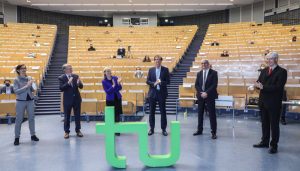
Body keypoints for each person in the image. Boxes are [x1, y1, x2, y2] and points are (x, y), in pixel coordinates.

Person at [253, 52, 287, 154]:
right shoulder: (264, 70)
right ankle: (264, 141)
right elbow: (259, 82)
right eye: (267, 59)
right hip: (263, 102)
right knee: (264, 124)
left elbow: (278, 87)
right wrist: (255, 85)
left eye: (271, 59)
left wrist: (264, 87)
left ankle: (274, 146)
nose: (268, 61)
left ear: (276, 59)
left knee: (274, 125)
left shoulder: (282, 71)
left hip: (274, 103)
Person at [13, 64, 39, 145]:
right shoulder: (16, 80)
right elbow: (16, 91)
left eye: (25, 68)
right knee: (19, 120)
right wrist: (27, 86)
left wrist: (34, 85)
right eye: (22, 68)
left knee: (31, 118)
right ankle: (17, 137)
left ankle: (33, 135)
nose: (24, 70)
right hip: (20, 101)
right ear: (18, 70)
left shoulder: (29, 78)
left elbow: (33, 89)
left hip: (30, 100)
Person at [193, 59, 218, 139]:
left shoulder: (214, 73)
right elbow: (196, 85)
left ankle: (213, 132)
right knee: (200, 114)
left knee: (212, 115)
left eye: (205, 63)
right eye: (202, 63)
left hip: (210, 96)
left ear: (208, 64)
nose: (203, 65)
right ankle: (199, 130)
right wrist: (201, 92)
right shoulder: (199, 73)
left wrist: (206, 92)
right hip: (201, 96)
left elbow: (214, 85)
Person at [146, 55, 170, 136]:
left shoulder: (165, 70)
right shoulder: (151, 70)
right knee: (151, 112)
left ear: (161, 61)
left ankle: (164, 129)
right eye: (156, 60)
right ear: (154, 61)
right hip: (152, 94)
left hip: (162, 94)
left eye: (159, 60)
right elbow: (147, 81)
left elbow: (168, 81)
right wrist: (154, 83)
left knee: (163, 112)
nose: (157, 61)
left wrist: (160, 82)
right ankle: (151, 129)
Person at [58, 64, 84, 139]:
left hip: (77, 99)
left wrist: (79, 83)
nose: (71, 69)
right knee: (67, 116)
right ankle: (66, 132)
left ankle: (78, 130)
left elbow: (81, 87)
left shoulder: (76, 76)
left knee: (77, 115)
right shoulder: (61, 78)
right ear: (65, 70)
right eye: (69, 68)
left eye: (71, 68)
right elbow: (61, 88)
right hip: (67, 100)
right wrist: (68, 83)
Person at [102, 67, 123, 136]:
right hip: (110, 100)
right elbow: (107, 92)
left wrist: (119, 83)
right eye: (107, 71)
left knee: (117, 114)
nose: (108, 72)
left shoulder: (115, 78)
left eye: (109, 71)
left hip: (117, 98)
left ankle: (117, 130)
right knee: (111, 115)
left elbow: (120, 88)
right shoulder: (104, 81)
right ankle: (111, 129)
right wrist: (114, 86)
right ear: (104, 73)